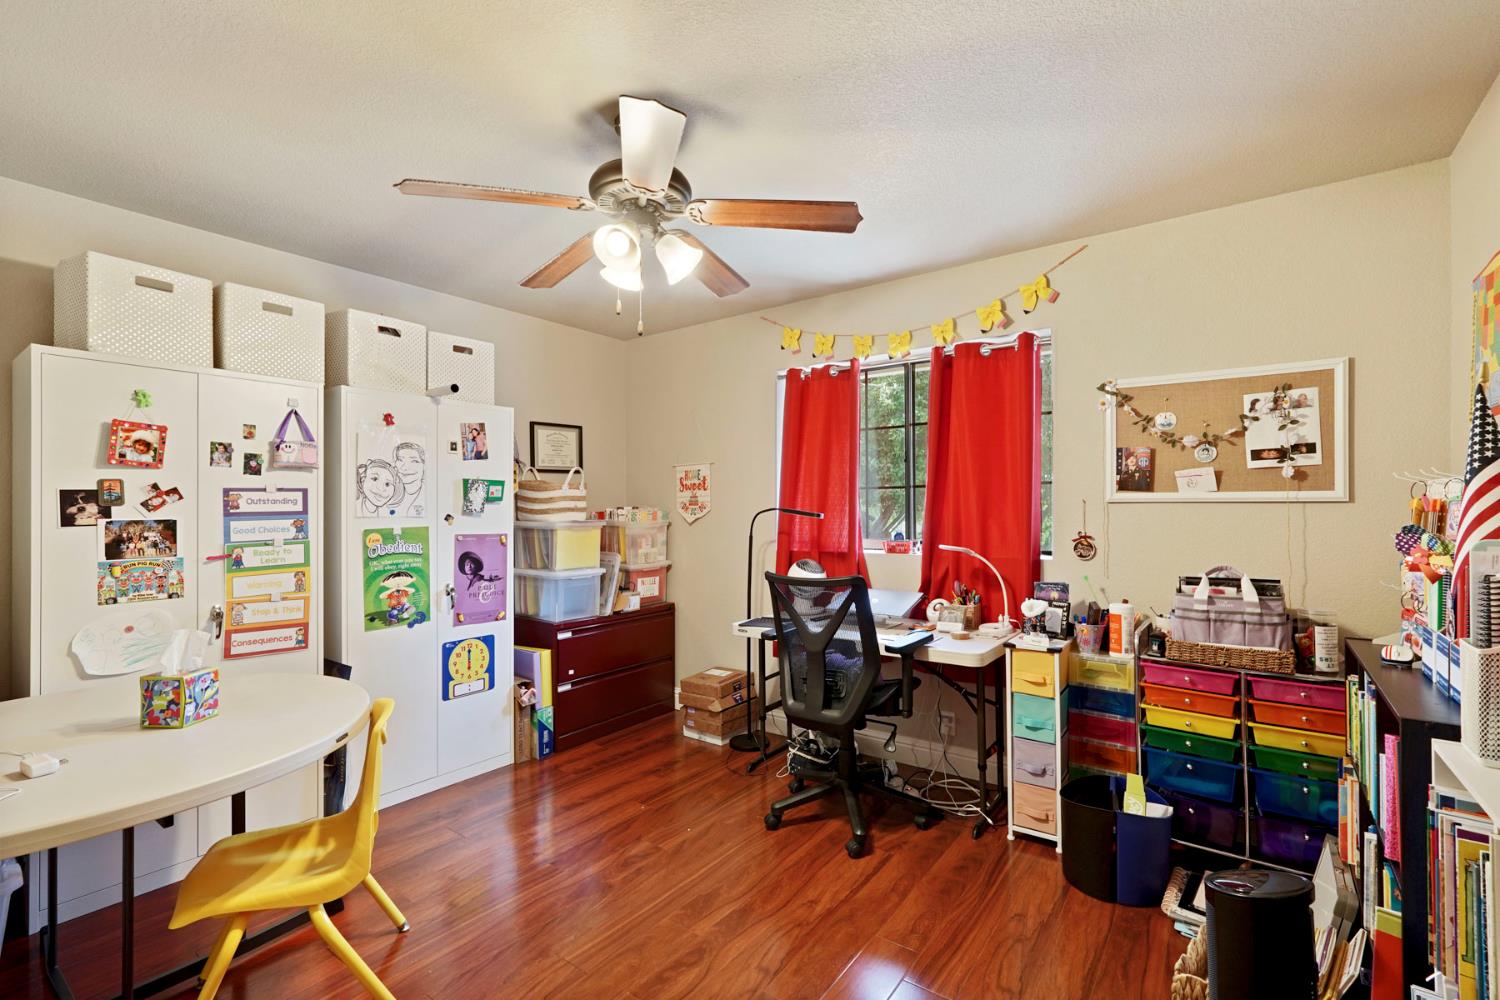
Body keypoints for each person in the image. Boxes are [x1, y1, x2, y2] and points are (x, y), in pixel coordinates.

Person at [394, 441, 426, 515]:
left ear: (424, 466)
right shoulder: (387, 492)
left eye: (414, 461)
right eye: (400, 460)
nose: (405, 467)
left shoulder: (430, 494)